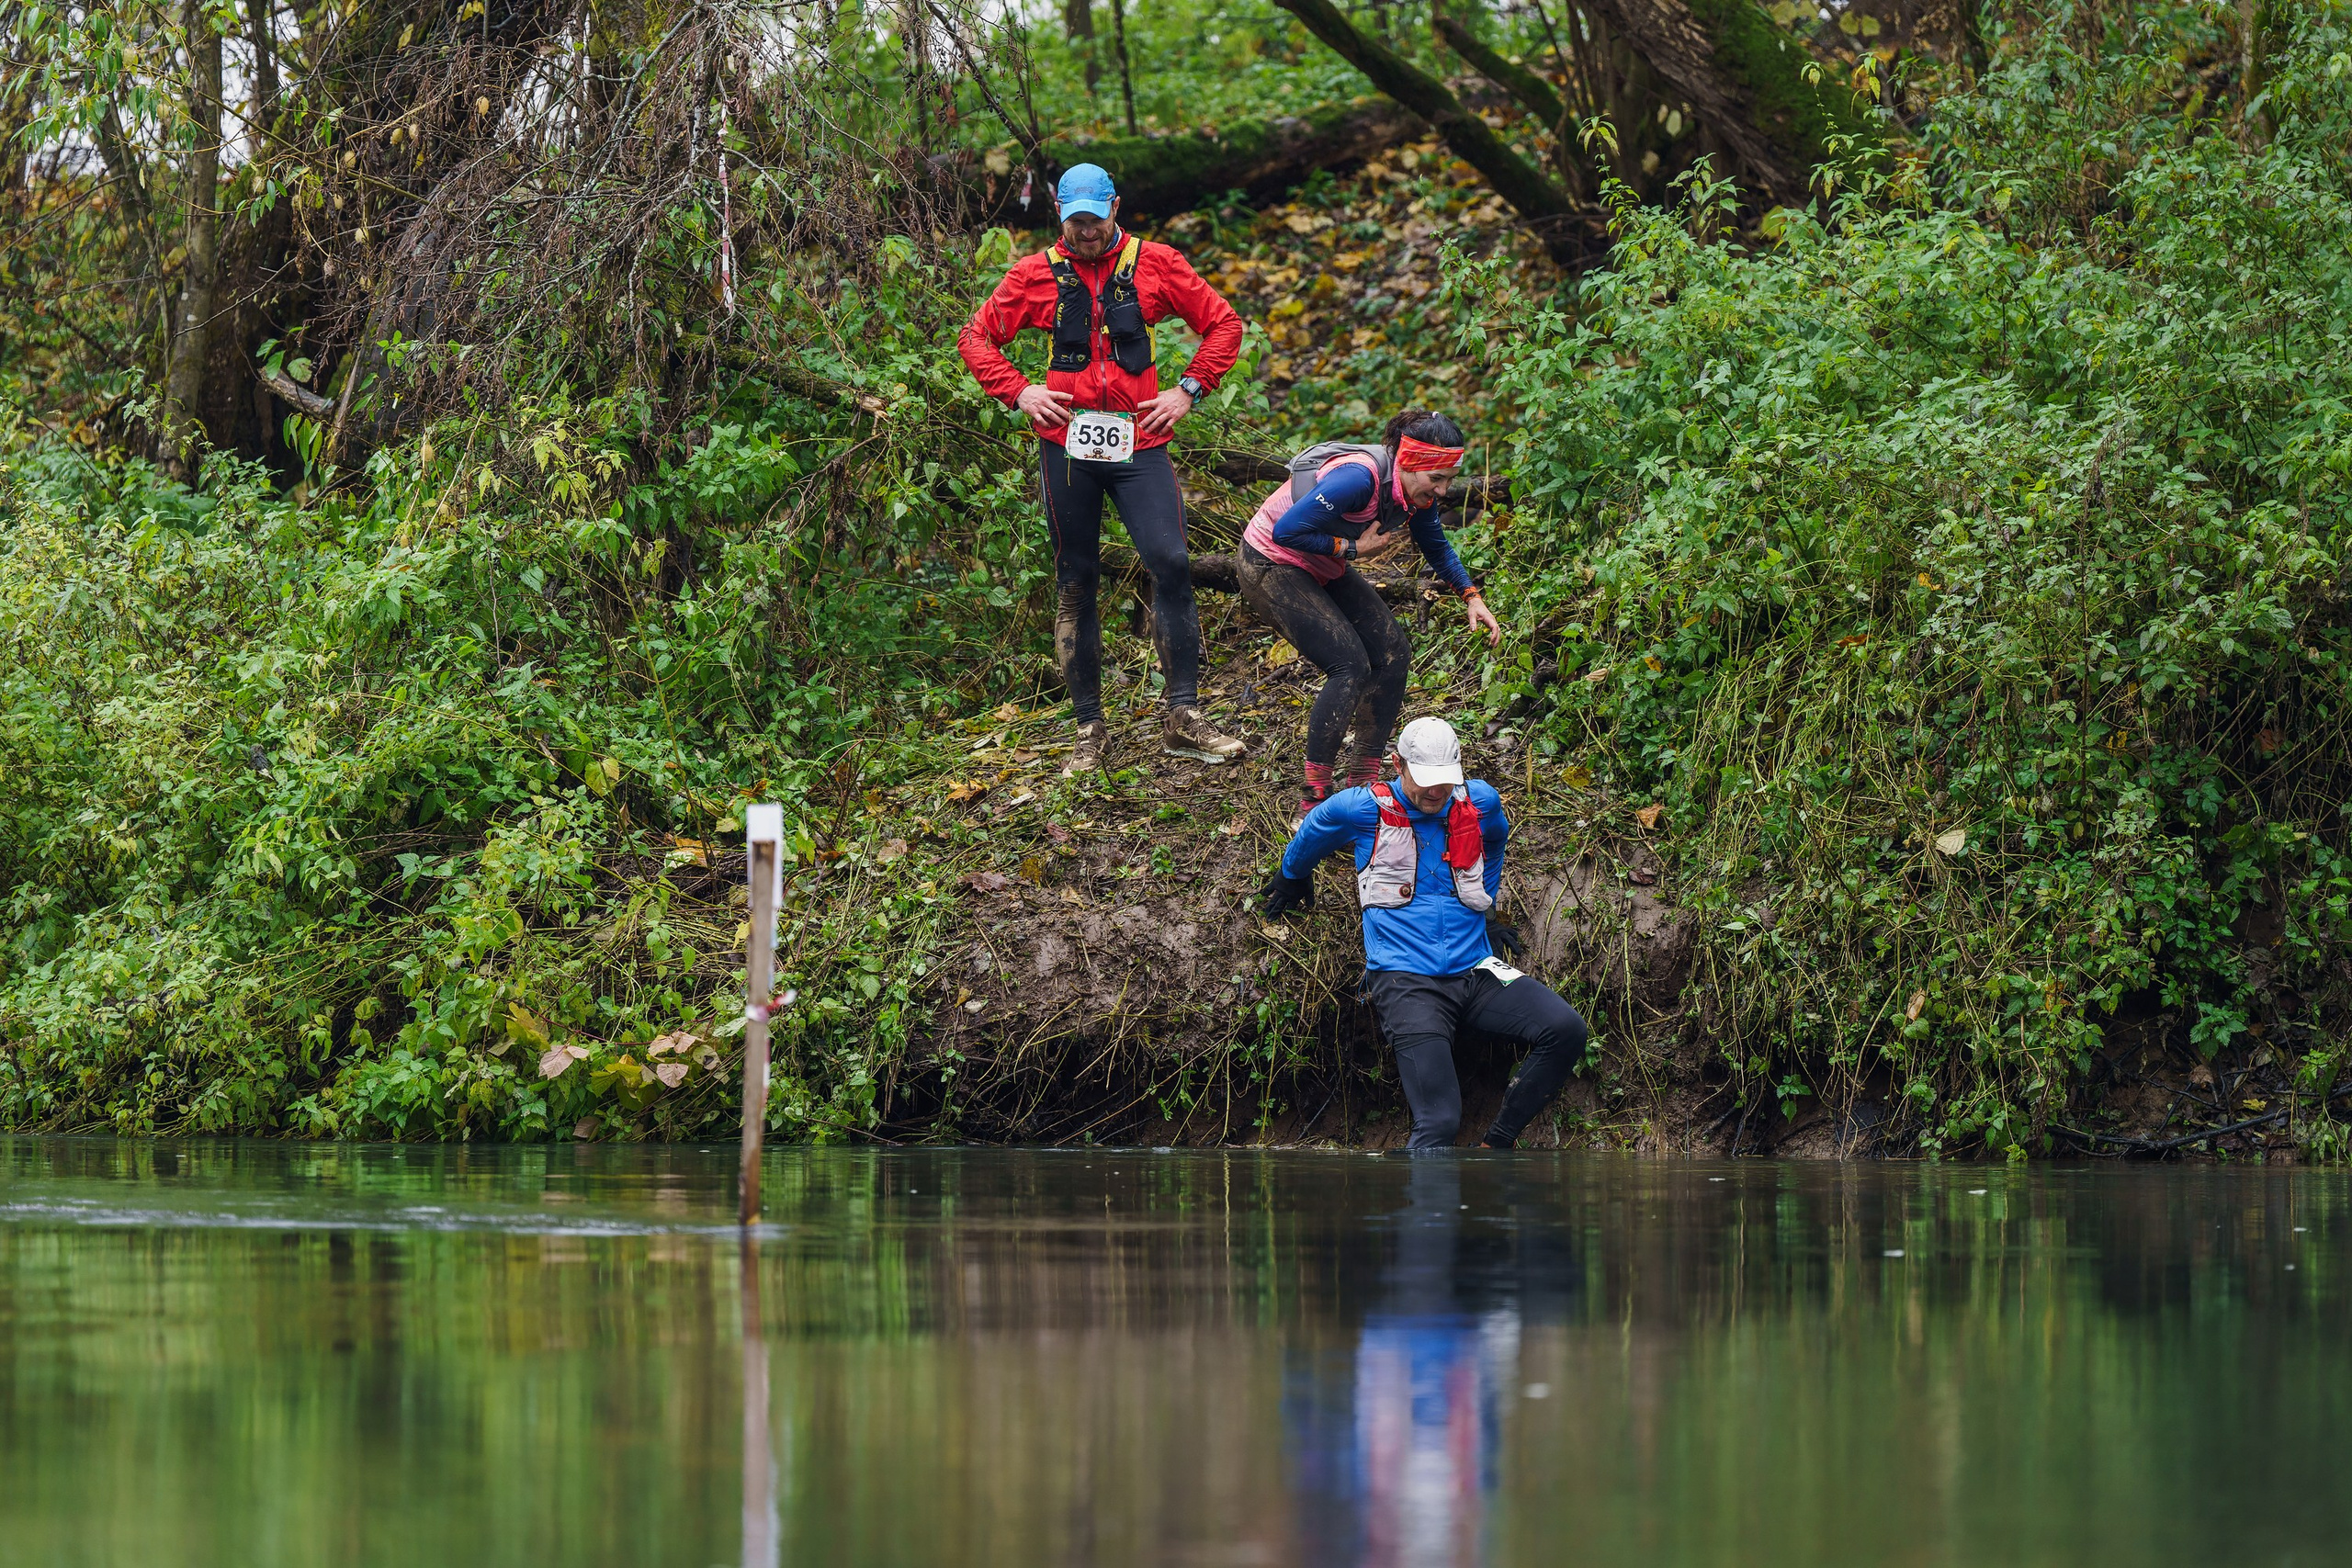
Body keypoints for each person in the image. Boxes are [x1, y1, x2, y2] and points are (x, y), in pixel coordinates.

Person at [958, 163, 1249, 775]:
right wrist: (1019, 393)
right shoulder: (1034, 275)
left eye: (1096, 218)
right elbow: (976, 338)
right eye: (1076, 222)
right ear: (1061, 217)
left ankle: (1182, 716)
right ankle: (1090, 730)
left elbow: (1223, 323)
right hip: (1066, 445)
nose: (1087, 232)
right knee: (1076, 579)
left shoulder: (1157, 263)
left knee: (1170, 559)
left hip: (1138, 440)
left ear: (1116, 205)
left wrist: (1187, 390)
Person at [1261, 715, 1586, 1151]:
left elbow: (1495, 839)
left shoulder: (1479, 802)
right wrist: (1292, 875)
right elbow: (1316, 827)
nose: (1437, 792)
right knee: (1439, 1124)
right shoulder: (1363, 809)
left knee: (1566, 1029)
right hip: (1405, 980)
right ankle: (1410, 1210)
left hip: (1477, 970)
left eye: (1445, 781)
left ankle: (1497, 1146)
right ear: (1399, 765)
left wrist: (1482, 903)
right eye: (1427, 780)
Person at [1236, 412, 1502, 817]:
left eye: (1449, 479)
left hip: (1320, 565)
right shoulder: (1359, 479)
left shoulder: (1416, 495)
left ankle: (1363, 782)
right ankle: (1315, 799)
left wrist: (1471, 596)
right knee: (1349, 664)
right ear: (1408, 463)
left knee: (1394, 653)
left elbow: (1436, 545)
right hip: (1270, 562)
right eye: (1437, 479)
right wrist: (1353, 550)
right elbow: (1286, 531)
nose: (1443, 490)